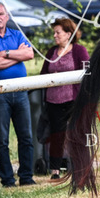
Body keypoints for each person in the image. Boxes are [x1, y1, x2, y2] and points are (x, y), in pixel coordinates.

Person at [0, 2, 36, 187]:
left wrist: (5, 53)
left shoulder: (16, 34)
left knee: (26, 136)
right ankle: (8, 180)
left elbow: (29, 54)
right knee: (2, 139)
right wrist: (17, 56)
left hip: (20, 91)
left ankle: (26, 177)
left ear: (7, 16)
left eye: (1, 14)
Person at [40, 18, 90, 179]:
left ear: (68, 34)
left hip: (74, 99)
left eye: (58, 32)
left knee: (77, 133)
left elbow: (87, 73)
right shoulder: (51, 52)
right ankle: (55, 171)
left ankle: (80, 168)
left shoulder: (79, 50)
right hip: (53, 101)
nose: (55, 35)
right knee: (57, 135)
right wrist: (52, 77)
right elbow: (43, 74)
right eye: (54, 32)